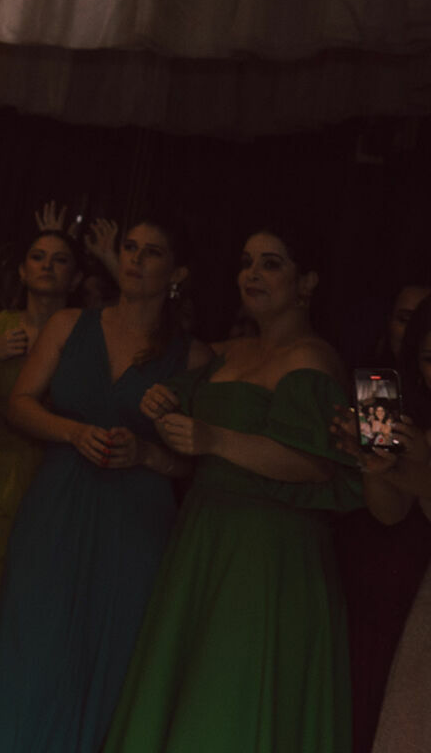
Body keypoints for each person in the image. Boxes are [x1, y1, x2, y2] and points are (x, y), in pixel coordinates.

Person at [104, 227, 362, 753]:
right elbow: (175, 367)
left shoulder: (314, 360)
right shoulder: (232, 351)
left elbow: (318, 466)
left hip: (268, 554)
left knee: (232, 695)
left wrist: (216, 438)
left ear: (306, 281)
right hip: (206, 536)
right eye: (247, 262)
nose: (252, 273)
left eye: (271, 263)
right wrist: (163, 398)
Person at [0, 218, 197, 753]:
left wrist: (145, 452)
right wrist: (73, 432)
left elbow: (192, 463)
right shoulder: (71, 325)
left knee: (111, 651)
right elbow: (19, 404)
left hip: (135, 516)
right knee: (34, 644)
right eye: (130, 248)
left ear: (177, 272)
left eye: (152, 252)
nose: (137, 260)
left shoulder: (194, 357)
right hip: (58, 501)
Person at [0, 227, 83, 676]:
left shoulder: (86, 339)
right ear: (23, 270)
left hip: (55, 472)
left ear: (76, 275)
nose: (47, 265)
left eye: (60, 259)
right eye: (38, 256)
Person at [335, 280, 431, 751]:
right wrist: (372, 463)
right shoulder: (422, 422)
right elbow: (389, 514)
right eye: (430, 359)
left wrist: (414, 472)